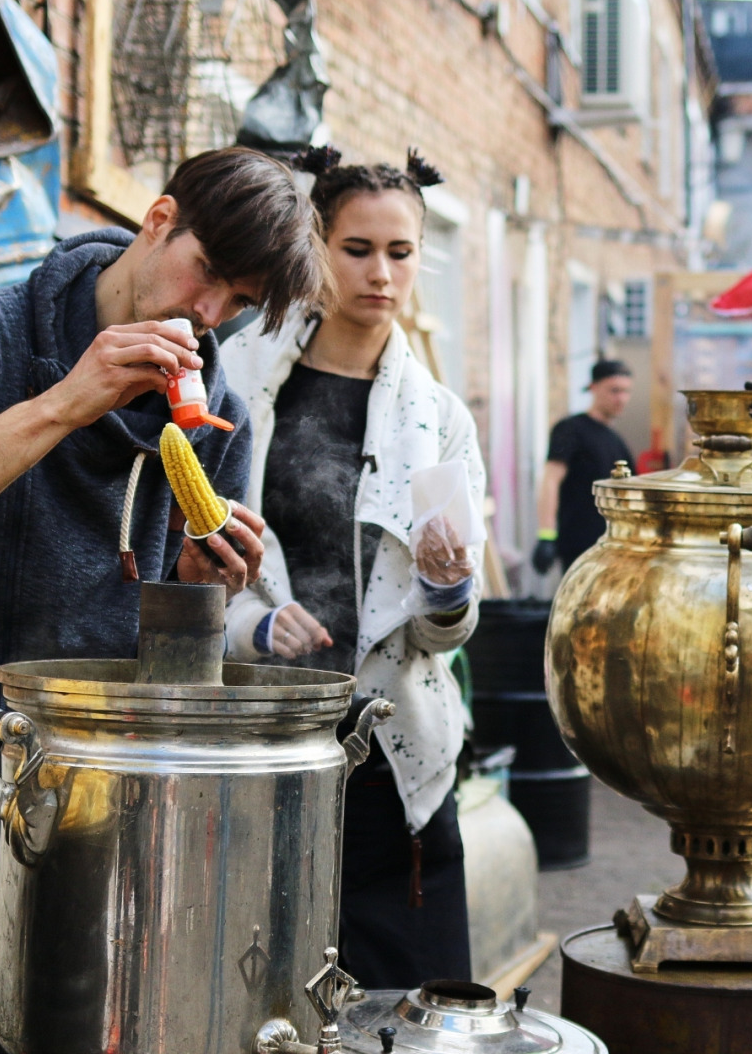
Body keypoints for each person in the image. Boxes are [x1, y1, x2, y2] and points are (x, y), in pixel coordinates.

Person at [0, 147, 324, 1052]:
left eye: (240, 304)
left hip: (102, 840)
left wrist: (197, 593)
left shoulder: (221, 412)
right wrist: (67, 400)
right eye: (208, 274)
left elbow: (178, 679)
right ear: (156, 218)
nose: (208, 315)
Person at [220, 146, 484, 988]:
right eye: (357, 249)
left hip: (395, 760)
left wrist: (448, 584)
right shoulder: (238, 387)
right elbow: (175, 567)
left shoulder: (439, 420)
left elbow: (447, 634)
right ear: (316, 246)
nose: (380, 273)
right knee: (263, 996)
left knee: (413, 1008)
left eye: (400, 253)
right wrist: (254, 626)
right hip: (261, 750)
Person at [532, 360, 634, 574]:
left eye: (626, 391)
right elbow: (551, 480)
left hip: (612, 547)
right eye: (614, 390)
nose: (621, 398)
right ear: (593, 388)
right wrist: (546, 535)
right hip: (578, 547)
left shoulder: (617, 441)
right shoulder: (570, 429)